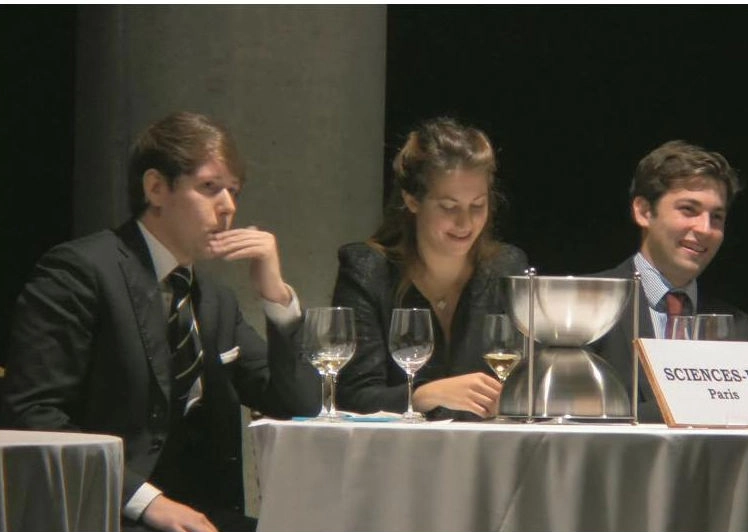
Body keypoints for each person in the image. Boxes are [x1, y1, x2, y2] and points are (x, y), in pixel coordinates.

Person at [0, 112, 321, 532]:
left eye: (234, 191)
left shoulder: (215, 301)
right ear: (155, 188)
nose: (228, 206)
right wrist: (146, 502)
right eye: (210, 187)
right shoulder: (80, 272)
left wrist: (276, 297)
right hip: (102, 512)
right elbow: (32, 413)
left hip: (203, 515)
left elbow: (299, 405)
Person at [333, 117, 528, 420]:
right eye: (449, 207)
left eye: (478, 205)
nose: (465, 222)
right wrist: (425, 395)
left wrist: (512, 397)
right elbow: (351, 396)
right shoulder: (368, 270)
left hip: (485, 446)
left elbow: (530, 381)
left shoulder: (507, 267)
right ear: (412, 201)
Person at [596, 140, 748, 423]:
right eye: (689, 210)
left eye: (717, 217)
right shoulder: (589, 302)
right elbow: (569, 414)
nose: (705, 228)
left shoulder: (738, 325)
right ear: (644, 212)